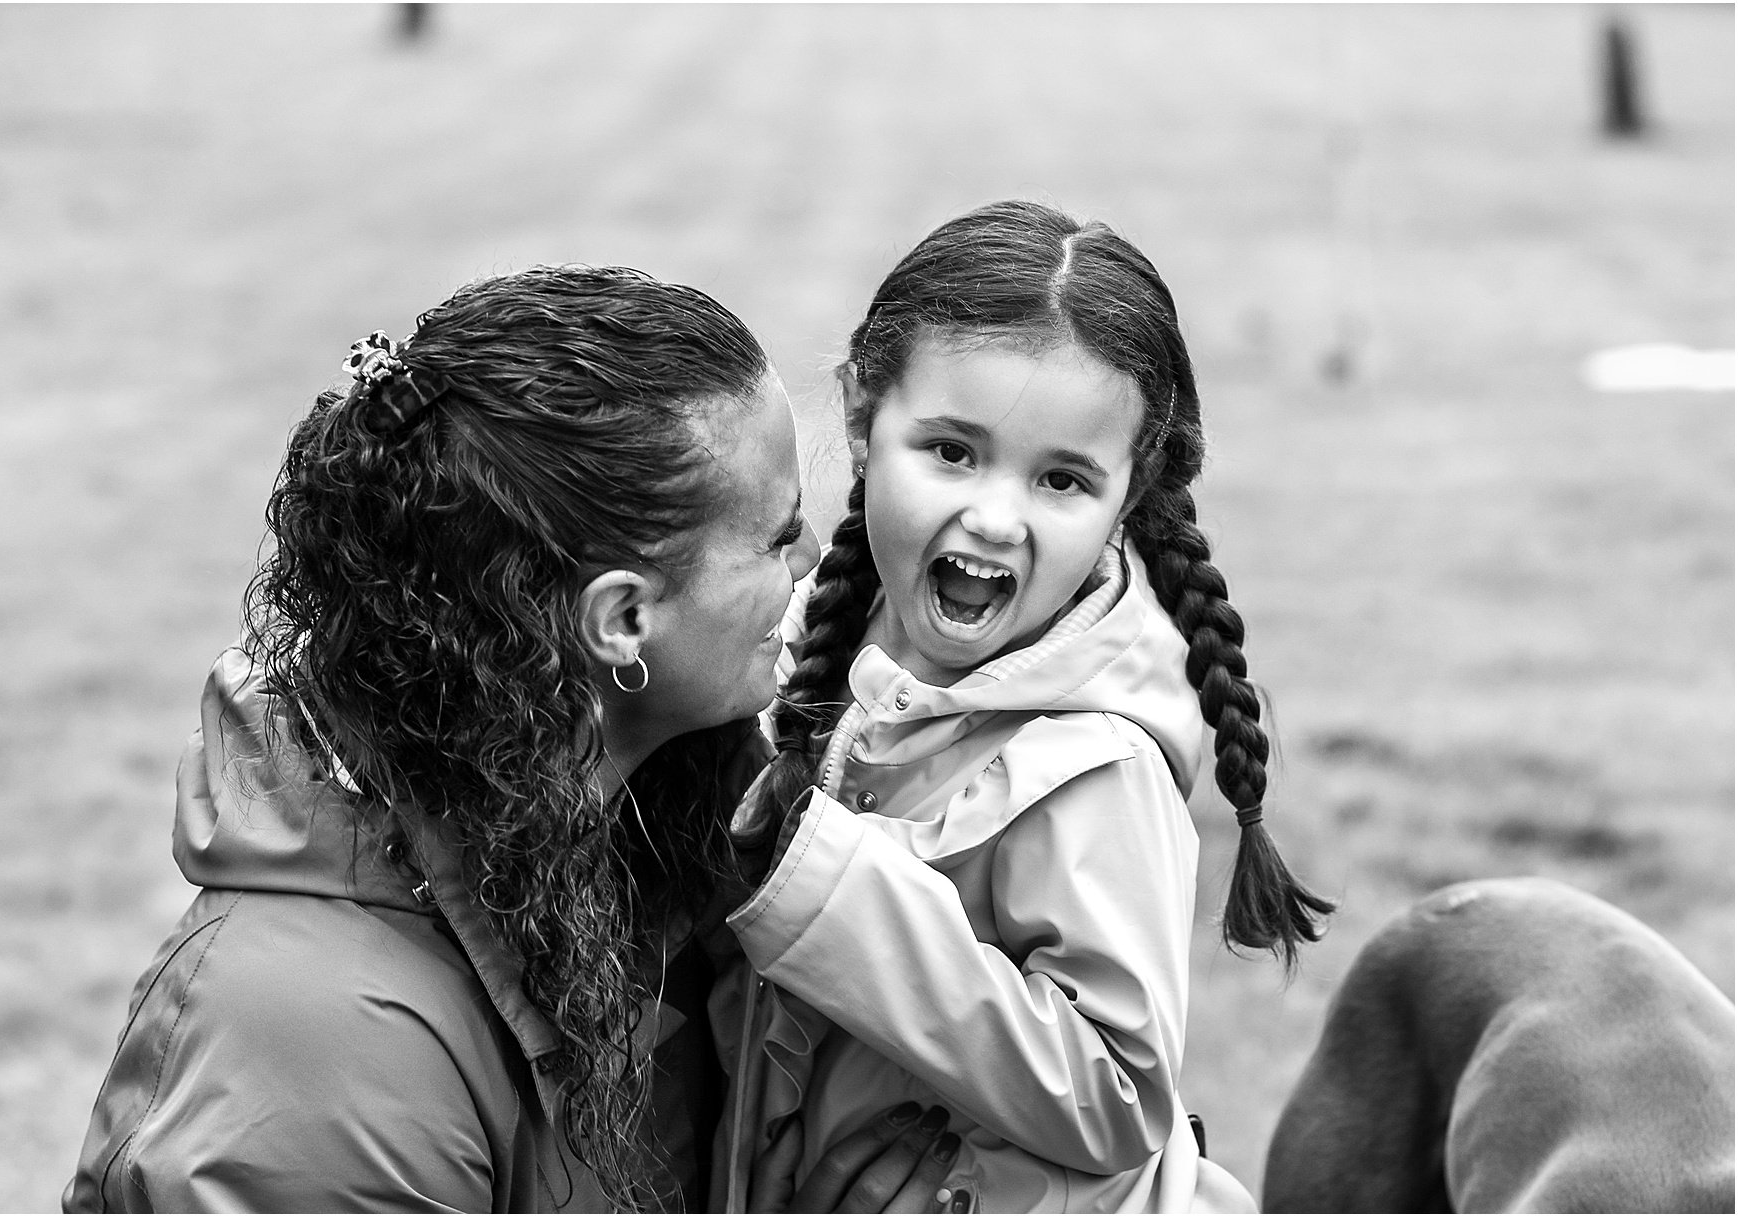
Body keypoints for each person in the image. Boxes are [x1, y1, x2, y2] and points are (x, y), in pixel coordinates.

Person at [65, 265, 963, 1212]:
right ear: (621, 621)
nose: (814, 558)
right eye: (777, 538)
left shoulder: (639, 832)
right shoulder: (315, 1046)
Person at [720, 201, 1334, 1212]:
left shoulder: (1093, 761)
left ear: (1125, 499)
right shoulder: (809, 648)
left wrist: (838, 895)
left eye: (1059, 478)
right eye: (953, 452)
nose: (994, 515)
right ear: (861, 414)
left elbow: (1116, 1092)